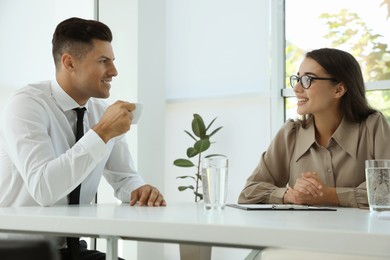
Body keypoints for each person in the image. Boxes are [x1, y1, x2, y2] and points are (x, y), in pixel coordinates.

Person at [0, 17, 166, 259]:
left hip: (71, 249)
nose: (114, 71)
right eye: (103, 61)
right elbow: (43, 189)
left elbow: (124, 178)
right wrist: (101, 133)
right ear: (69, 63)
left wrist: (139, 189)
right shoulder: (26, 105)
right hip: (19, 251)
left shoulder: (100, 111)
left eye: (113, 61)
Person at [238, 48, 390, 208]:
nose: (296, 88)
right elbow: (249, 192)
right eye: (297, 79)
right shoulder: (290, 133)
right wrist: (290, 195)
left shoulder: (372, 126)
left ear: (338, 89)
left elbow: (386, 189)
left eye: (307, 79)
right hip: (305, 233)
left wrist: (331, 195)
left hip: (364, 233)